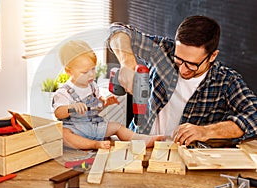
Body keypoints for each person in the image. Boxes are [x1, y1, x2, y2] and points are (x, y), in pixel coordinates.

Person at [107, 15, 257, 147]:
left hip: (184, 159)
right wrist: (127, 64)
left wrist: (205, 131)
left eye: (192, 64)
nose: (183, 70)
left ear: (212, 56)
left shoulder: (226, 81)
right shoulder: (163, 51)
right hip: (138, 143)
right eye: (178, 60)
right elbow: (117, 30)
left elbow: (254, 116)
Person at [53, 40, 165, 150]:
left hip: (93, 126)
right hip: (75, 130)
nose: (91, 74)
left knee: (117, 127)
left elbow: (95, 108)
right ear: (69, 71)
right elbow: (58, 113)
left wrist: (104, 103)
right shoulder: (64, 92)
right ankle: (94, 144)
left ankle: (142, 140)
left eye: (93, 69)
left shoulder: (92, 86)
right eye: (85, 72)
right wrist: (70, 108)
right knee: (63, 134)